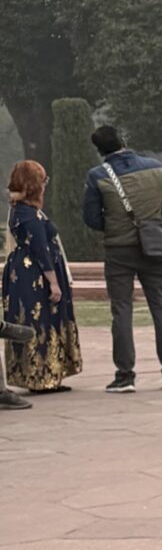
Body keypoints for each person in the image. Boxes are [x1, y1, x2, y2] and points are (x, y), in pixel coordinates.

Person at [82, 124, 162, 393]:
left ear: (99, 150)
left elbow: (91, 218)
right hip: (154, 246)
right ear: (123, 140)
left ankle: (125, 375)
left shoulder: (97, 176)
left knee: (122, 311)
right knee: (161, 308)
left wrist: (116, 225)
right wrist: (150, 219)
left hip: (119, 250)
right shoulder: (156, 167)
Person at [5, 160, 82, 391]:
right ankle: (42, 375)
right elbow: (41, 251)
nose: (45, 185)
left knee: (31, 320)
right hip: (35, 276)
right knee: (41, 321)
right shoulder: (30, 216)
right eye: (43, 180)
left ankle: (42, 374)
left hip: (21, 272)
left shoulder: (19, 210)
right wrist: (54, 283)